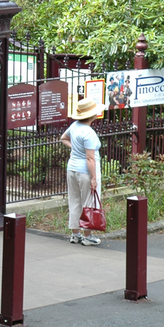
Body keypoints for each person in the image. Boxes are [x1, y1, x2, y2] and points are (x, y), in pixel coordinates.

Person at [60, 98, 103, 246]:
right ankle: (88, 236)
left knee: (74, 200)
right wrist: (93, 178)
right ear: (92, 115)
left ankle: (75, 234)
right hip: (85, 172)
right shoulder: (89, 133)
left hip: (72, 169)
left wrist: (74, 148)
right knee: (88, 202)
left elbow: (63, 138)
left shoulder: (74, 126)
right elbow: (90, 158)